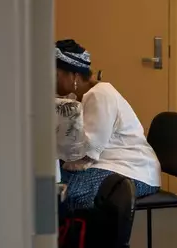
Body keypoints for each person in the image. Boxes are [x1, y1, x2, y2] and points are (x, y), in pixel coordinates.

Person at [55, 39, 161, 211]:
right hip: (104, 165)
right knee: (47, 185)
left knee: (65, 193)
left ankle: (77, 237)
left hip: (131, 171)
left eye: (56, 74)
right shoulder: (76, 98)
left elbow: (88, 151)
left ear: (74, 75)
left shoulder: (100, 95)